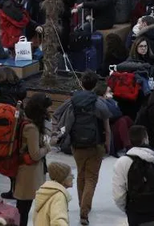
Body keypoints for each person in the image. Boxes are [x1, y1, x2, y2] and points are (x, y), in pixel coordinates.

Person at [64, 71, 110, 226]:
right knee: (91, 178)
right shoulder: (99, 103)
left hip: (77, 145)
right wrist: (107, 144)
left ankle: (81, 204)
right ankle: (84, 211)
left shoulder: (73, 101)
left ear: (81, 83)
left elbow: (68, 123)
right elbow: (107, 128)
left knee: (81, 175)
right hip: (96, 145)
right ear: (95, 85)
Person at [111, 126, 154, 226]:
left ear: (130, 140)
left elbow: (118, 194)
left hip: (135, 211)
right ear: (146, 138)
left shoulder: (122, 162)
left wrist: (127, 208)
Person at [14, 93, 53, 226]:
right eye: (47, 108)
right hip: (28, 173)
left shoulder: (31, 124)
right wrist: (48, 147)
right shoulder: (31, 128)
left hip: (29, 172)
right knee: (23, 209)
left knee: (24, 208)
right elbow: (35, 154)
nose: (49, 110)